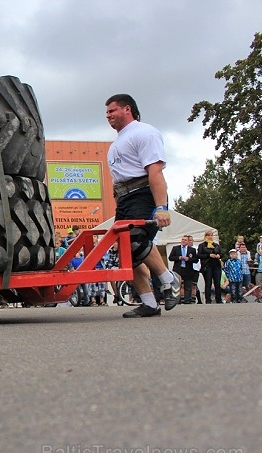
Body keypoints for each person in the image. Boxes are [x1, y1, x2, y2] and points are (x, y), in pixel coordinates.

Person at [104, 94, 180, 318]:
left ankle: (169, 279)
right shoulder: (115, 145)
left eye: (112, 110)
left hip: (143, 194)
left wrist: (161, 207)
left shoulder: (145, 133)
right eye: (106, 112)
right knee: (126, 252)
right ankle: (149, 303)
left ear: (127, 109)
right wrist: (119, 207)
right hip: (125, 199)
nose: (108, 116)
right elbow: (117, 183)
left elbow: (155, 172)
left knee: (136, 240)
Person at [168, 235, 199, 304]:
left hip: (188, 269)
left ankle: (187, 300)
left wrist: (189, 259)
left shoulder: (192, 250)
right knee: (178, 285)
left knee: (188, 285)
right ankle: (177, 300)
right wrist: (178, 257)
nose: (183, 241)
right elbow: (170, 258)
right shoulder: (176, 248)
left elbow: (196, 260)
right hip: (178, 269)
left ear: (188, 241)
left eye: (185, 240)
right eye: (182, 239)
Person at [197, 230, 223, 304]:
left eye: (211, 235)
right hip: (207, 266)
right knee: (208, 283)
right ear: (205, 236)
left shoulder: (216, 245)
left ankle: (219, 299)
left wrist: (219, 255)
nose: (210, 237)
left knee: (217, 283)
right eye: (208, 235)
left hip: (216, 265)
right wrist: (209, 255)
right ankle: (208, 300)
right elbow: (199, 255)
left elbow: (221, 254)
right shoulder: (202, 245)